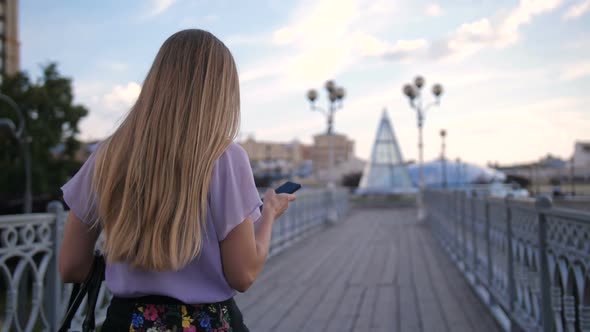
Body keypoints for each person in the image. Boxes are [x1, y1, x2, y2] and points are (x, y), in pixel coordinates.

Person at [58, 29, 295, 331]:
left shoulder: (108, 155)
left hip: (125, 322)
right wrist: (270, 214)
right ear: (221, 91)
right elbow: (243, 274)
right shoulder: (225, 157)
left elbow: (71, 267)